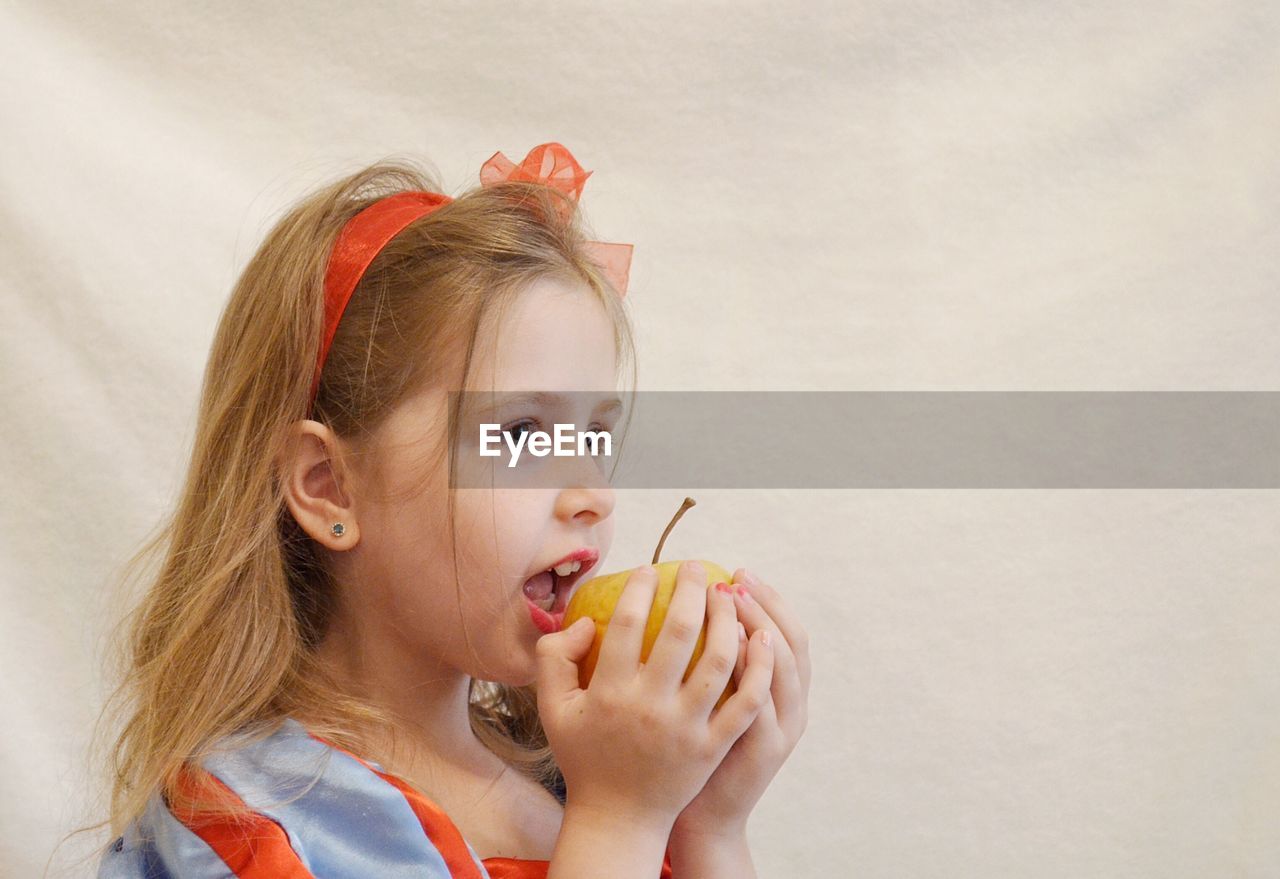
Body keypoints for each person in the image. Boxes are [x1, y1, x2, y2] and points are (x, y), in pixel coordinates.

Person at [91, 142, 810, 878]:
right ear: (329, 486)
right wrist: (622, 821)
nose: (593, 492)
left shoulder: (573, 776)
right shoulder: (257, 828)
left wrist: (706, 826)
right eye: (523, 433)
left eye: (594, 436)